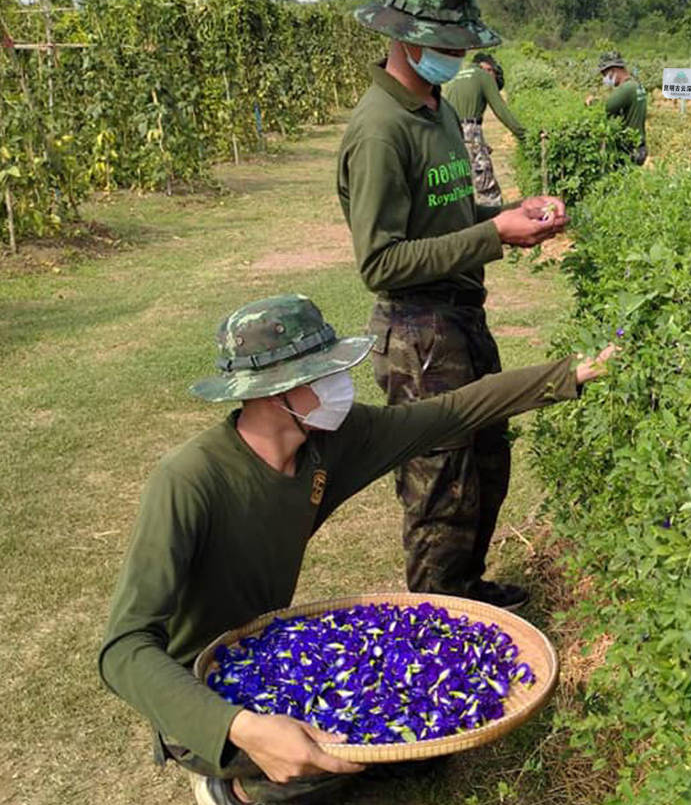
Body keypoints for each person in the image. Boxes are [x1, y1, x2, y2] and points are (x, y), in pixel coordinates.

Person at [98, 294, 616, 805]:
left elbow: (450, 412)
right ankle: (228, 785)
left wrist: (572, 373)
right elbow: (123, 649)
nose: (339, 385)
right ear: (273, 392)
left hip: (277, 651)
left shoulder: (329, 441)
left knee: (408, 733)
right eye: (322, 376)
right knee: (322, 763)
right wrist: (241, 727)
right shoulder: (190, 481)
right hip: (202, 688)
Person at [337, 0, 569, 611]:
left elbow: (449, 215)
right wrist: (493, 234)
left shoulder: (436, 107)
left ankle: (466, 591)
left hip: (461, 317)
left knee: (487, 467)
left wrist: (508, 215)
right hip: (418, 334)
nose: (454, 54)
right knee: (441, 490)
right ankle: (439, 625)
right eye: (443, 42)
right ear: (402, 39)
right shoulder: (381, 131)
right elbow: (380, 261)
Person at [445, 51, 527, 206]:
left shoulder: (457, 76)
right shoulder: (482, 75)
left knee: (461, 187)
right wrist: (523, 135)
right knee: (488, 189)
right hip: (470, 131)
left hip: (450, 132)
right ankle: (495, 226)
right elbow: (501, 110)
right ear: (487, 68)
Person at [592, 51, 648, 165]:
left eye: (605, 74)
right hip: (640, 145)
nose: (605, 79)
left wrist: (592, 103)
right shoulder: (637, 85)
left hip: (629, 149)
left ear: (613, 70)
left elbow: (605, 109)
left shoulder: (626, 89)